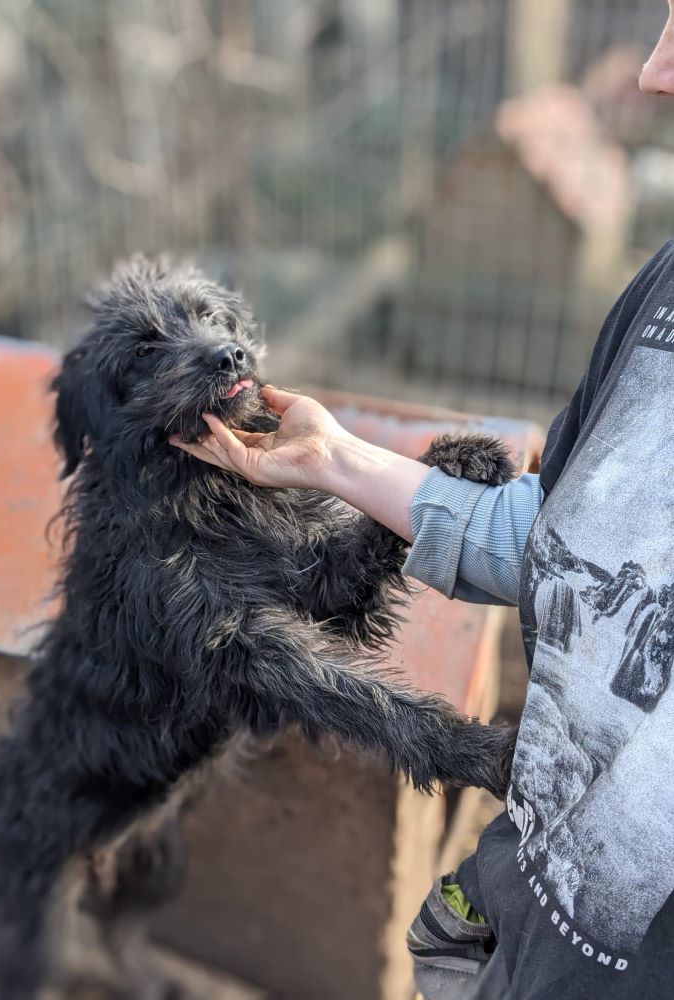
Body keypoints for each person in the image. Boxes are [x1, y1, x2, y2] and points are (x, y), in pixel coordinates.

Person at [171, 7, 674, 997]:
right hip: (518, 928)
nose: (656, 73)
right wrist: (343, 461)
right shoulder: (661, 290)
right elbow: (570, 546)